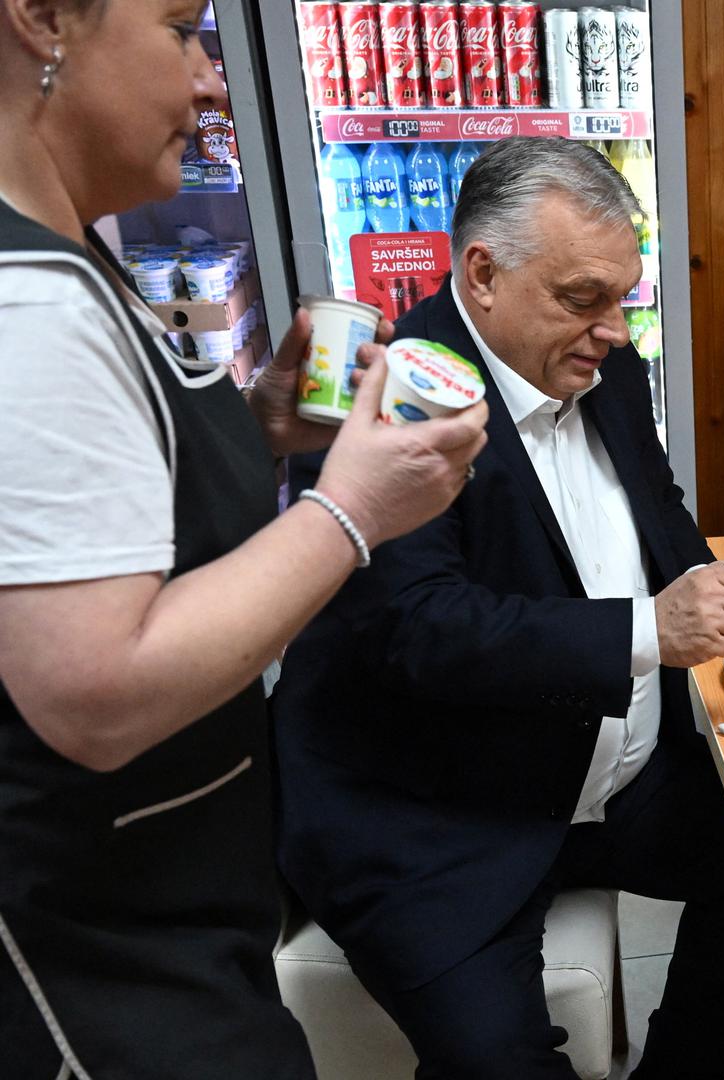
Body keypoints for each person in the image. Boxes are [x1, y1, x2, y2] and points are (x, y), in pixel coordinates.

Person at [0, 0, 488, 1076]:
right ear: (41, 19)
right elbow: (97, 693)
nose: (211, 78)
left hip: (175, 903)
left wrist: (262, 427)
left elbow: (119, 513)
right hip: (97, 959)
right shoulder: (23, 306)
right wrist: (352, 510)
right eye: (180, 29)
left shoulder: (73, 251)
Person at [272, 137, 724, 1080]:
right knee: (494, 1059)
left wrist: (719, 594)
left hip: (610, 778)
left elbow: (658, 508)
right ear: (482, 274)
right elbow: (419, 628)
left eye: (623, 298)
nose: (615, 330)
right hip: (435, 813)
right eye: (583, 298)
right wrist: (651, 627)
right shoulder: (386, 398)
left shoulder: (606, 366)